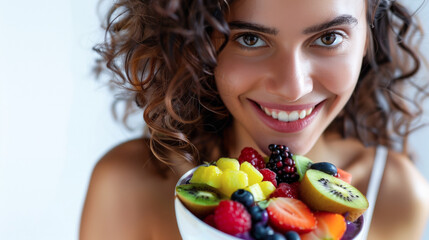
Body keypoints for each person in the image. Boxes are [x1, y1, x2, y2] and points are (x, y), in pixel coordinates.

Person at [79, 0, 429, 239]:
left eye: (328, 38)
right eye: (250, 39)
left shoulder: (395, 194)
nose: (293, 88)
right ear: (196, 41)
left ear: (370, 36)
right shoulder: (128, 186)